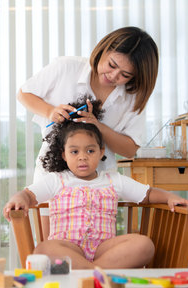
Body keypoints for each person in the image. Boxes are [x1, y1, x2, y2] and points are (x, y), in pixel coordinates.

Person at [3, 99, 188, 269]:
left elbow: (148, 194)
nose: (83, 157)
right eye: (75, 152)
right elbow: (28, 195)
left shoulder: (113, 180)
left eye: (90, 150)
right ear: (64, 155)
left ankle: (88, 272)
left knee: (144, 245)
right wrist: (18, 199)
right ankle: (97, 273)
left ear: (101, 152)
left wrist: (169, 197)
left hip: (104, 249)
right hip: (68, 248)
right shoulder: (57, 180)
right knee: (44, 249)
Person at [17, 26, 159, 238]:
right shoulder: (67, 68)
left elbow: (130, 149)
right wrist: (50, 111)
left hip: (99, 182)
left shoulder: (133, 97)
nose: (113, 76)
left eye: (125, 75)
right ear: (103, 49)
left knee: (97, 242)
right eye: (112, 65)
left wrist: (97, 126)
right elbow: (24, 93)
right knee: (50, 248)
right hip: (52, 170)